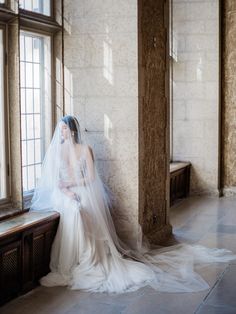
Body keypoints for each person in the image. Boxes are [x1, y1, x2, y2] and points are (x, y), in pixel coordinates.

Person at [30, 115, 236, 294]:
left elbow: (91, 178)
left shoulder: (86, 149)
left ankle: (90, 258)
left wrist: (73, 186)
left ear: (72, 130)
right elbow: (56, 180)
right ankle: (73, 259)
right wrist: (66, 190)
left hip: (82, 189)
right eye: (61, 128)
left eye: (65, 128)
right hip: (63, 193)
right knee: (75, 210)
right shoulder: (57, 151)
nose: (62, 131)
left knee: (81, 208)